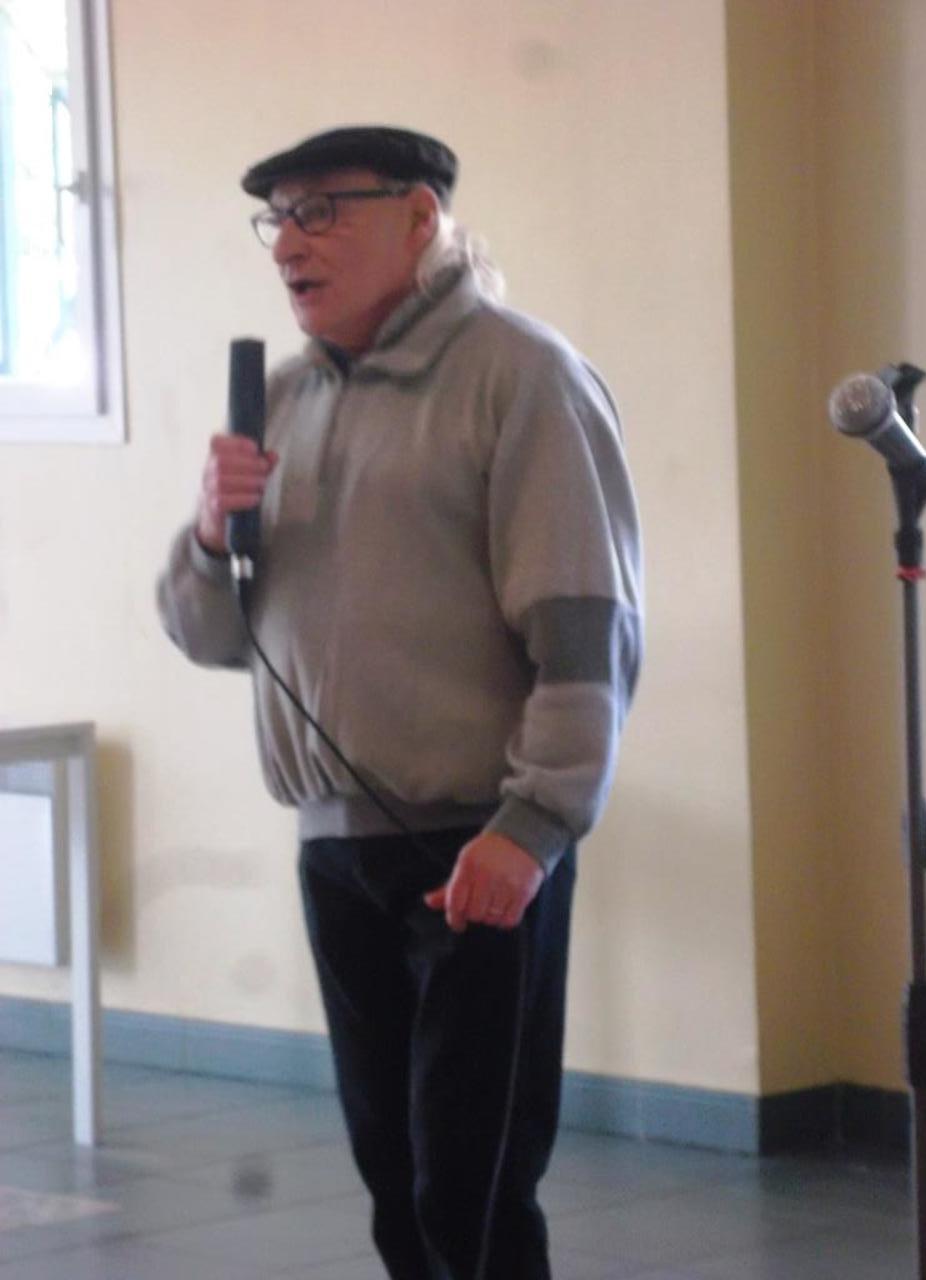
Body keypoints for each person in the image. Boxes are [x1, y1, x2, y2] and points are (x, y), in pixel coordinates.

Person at [157, 124, 642, 1280]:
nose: (290, 243)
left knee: (470, 1190)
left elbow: (587, 627)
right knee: (394, 1175)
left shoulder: (521, 376)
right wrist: (212, 531)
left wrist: (533, 826)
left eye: (323, 211)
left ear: (421, 218)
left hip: (479, 843)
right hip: (337, 849)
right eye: (279, 218)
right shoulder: (281, 399)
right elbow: (210, 632)